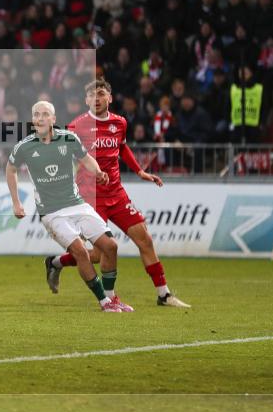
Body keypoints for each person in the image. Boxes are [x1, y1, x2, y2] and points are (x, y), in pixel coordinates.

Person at [50, 78, 191, 308]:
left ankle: (164, 294)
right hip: (91, 198)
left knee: (144, 239)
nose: (96, 98)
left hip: (116, 193)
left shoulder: (120, 123)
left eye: (101, 93)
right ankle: (57, 263)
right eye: (92, 95)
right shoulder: (77, 126)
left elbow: (122, 147)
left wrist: (140, 171)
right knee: (97, 254)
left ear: (110, 98)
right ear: (86, 100)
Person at [5, 100, 128, 313]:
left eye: (45, 114)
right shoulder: (24, 146)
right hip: (52, 212)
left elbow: (86, 158)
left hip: (77, 204)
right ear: (33, 120)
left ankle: (111, 298)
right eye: (36, 115)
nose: (40, 118)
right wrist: (16, 202)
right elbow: (10, 169)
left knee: (111, 247)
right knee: (80, 252)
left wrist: (98, 172)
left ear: (53, 119)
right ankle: (104, 302)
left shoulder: (69, 138)